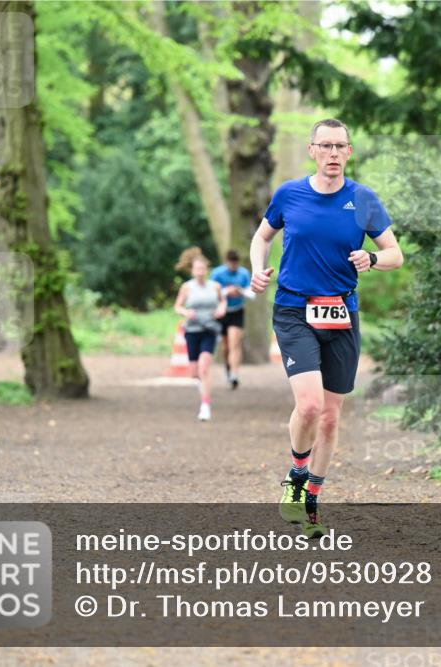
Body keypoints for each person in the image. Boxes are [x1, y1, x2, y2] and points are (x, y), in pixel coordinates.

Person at [250, 118, 404, 538]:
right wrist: (257, 270)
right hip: (294, 310)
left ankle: (311, 500)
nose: (333, 153)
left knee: (332, 418)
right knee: (312, 405)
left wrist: (371, 259)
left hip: (342, 313)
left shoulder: (364, 200)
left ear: (349, 152)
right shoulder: (289, 194)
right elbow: (261, 238)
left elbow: (395, 254)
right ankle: (295, 480)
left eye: (340, 146)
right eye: (326, 146)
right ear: (312, 151)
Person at [173, 252, 227, 422]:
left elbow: (222, 301)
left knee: (204, 367)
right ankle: (200, 382)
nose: (200, 272)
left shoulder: (215, 286)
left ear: (207, 270)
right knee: (194, 371)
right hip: (192, 330)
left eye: (203, 269)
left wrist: (221, 309)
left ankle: (205, 405)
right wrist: (185, 312)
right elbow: (177, 306)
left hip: (209, 329)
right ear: (192, 270)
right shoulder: (187, 287)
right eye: (197, 269)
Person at [210, 249, 252, 390]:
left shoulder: (244, 274)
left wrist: (240, 291)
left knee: (235, 343)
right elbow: (210, 292)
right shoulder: (217, 273)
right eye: (231, 263)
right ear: (226, 262)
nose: (233, 266)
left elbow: (251, 294)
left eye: (235, 264)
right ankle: (228, 369)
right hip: (222, 312)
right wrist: (227, 291)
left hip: (237, 311)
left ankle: (234, 375)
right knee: (225, 346)